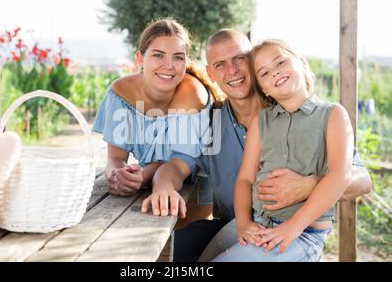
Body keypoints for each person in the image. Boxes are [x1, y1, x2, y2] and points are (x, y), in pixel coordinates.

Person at [141, 30, 372, 262]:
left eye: (239, 58)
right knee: (165, 253)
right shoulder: (209, 122)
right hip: (236, 224)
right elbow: (175, 166)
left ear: (252, 62)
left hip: (296, 229)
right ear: (211, 73)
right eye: (220, 64)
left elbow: (361, 181)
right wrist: (163, 187)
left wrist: (309, 185)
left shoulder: (303, 111)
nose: (231, 70)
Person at [93, 18, 220, 206]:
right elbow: (115, 157)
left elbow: (179, 162)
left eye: (178, 57)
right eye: (158, 55)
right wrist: (118, 176)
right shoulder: (120, 94)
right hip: (154, 183)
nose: (168, 65)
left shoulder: (191, 94)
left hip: (195, 188)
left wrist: (142, 176)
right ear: (139, 58)